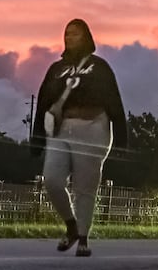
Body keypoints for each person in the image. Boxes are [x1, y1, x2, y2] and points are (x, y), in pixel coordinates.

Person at [30, 18, 127, 257]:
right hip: (61, 129)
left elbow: (114, 100)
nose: (69, 37)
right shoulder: (55, 70)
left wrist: (121, 139)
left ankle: (83, 237)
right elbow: (43, 102)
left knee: (85, 186)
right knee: (52, 180)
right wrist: (37, 138)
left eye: (75, 33)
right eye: (67, 33)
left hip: (93, 127)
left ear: (86, 37)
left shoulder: (100, 67)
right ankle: (71, 225)